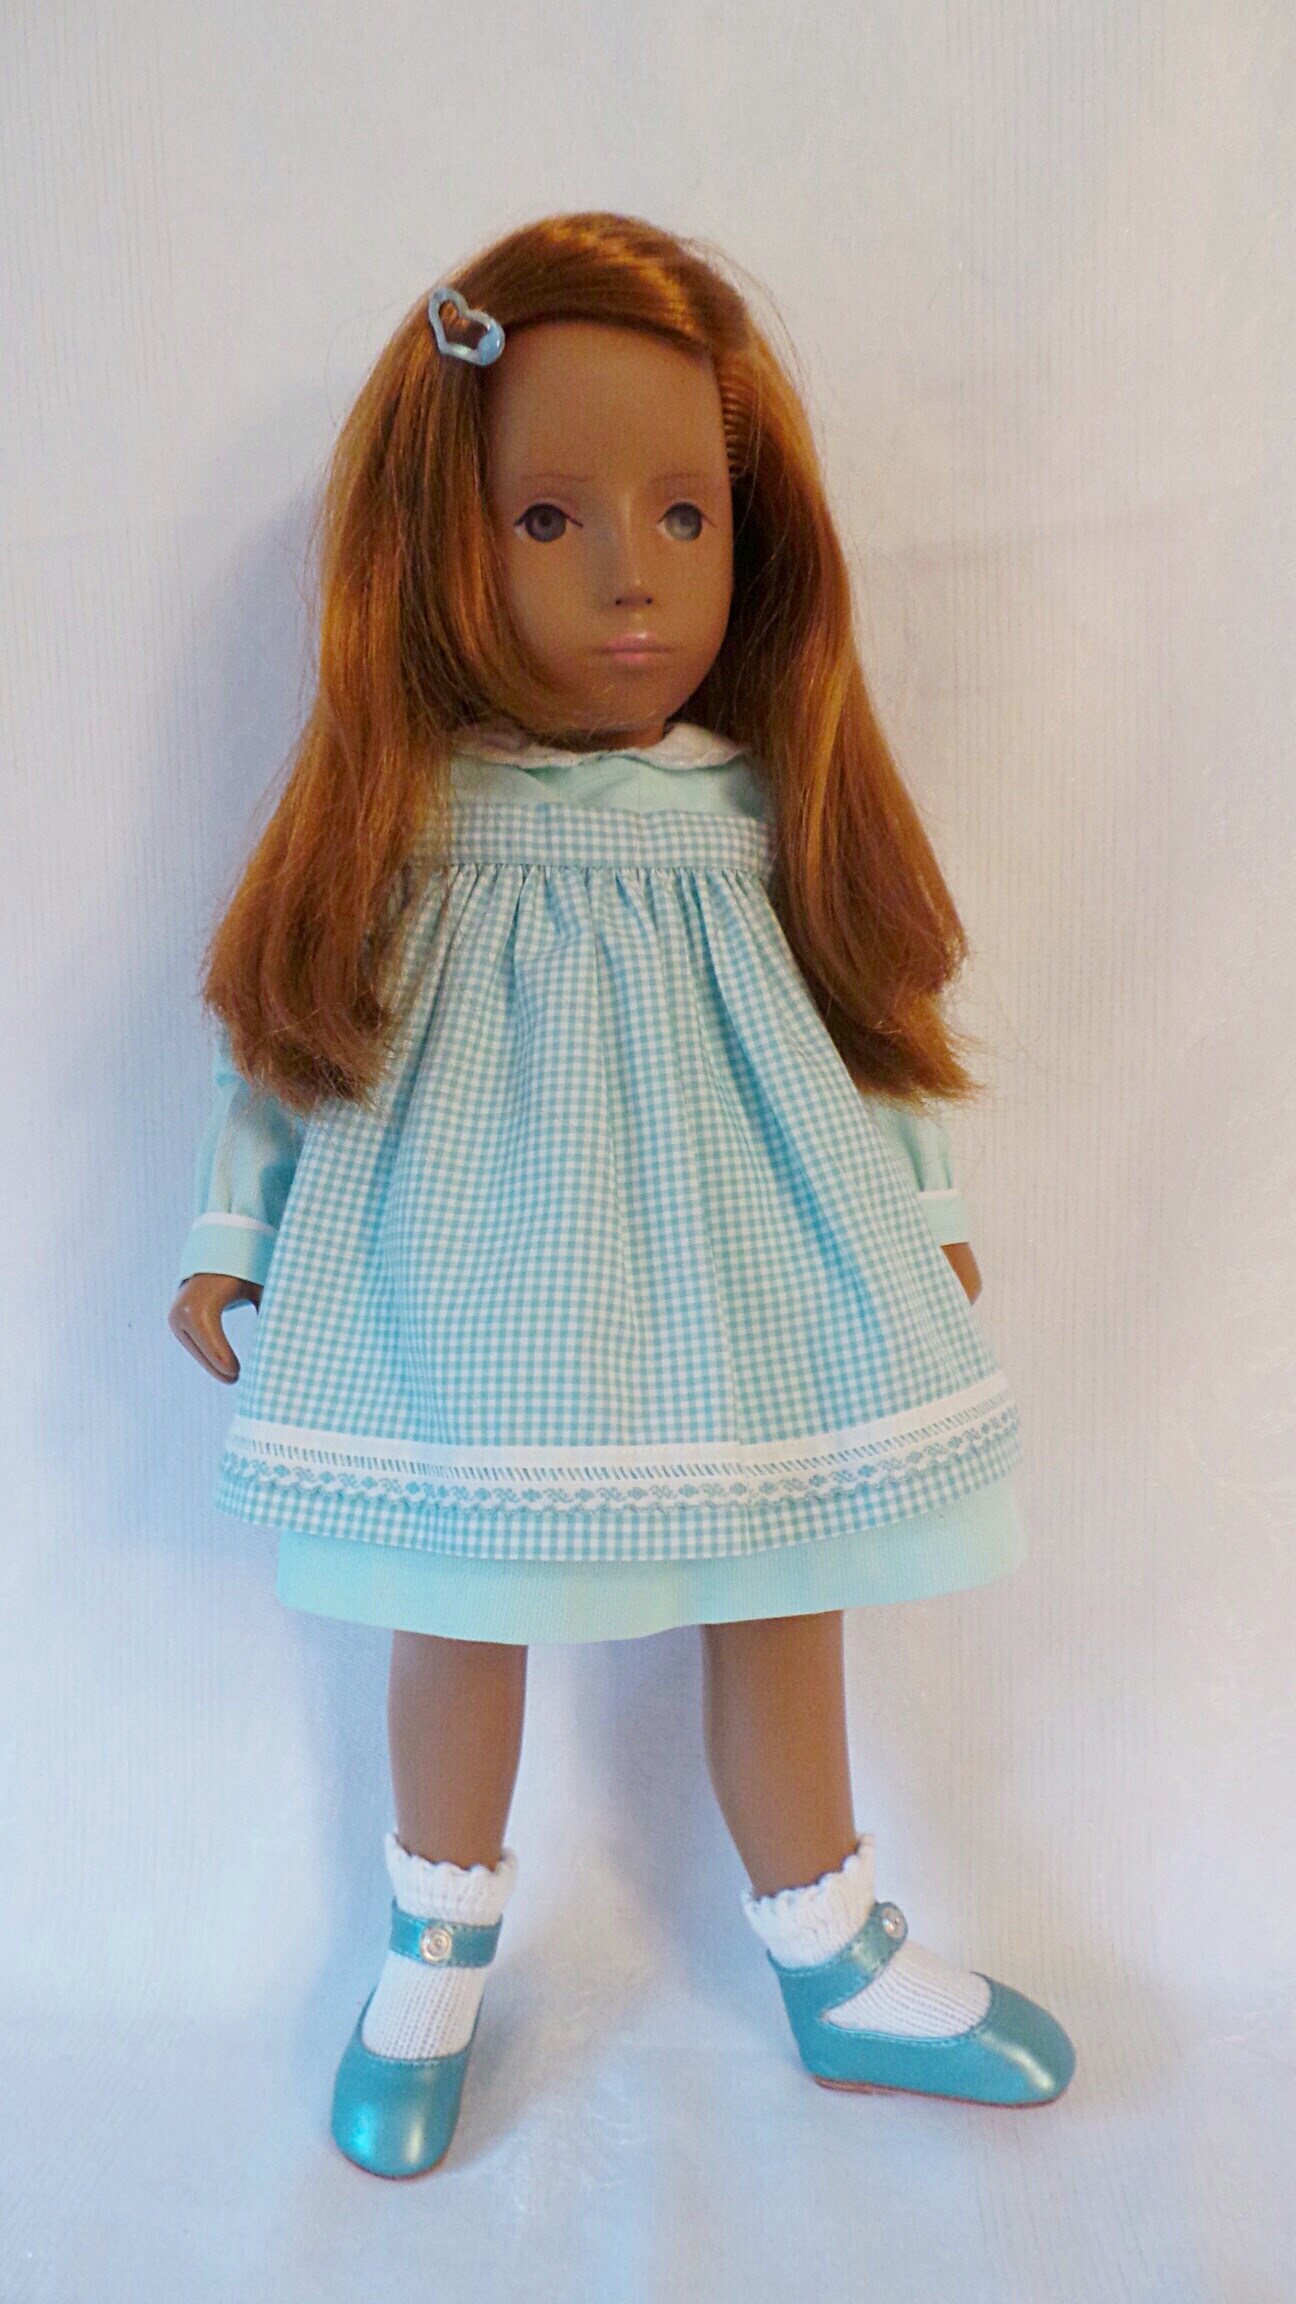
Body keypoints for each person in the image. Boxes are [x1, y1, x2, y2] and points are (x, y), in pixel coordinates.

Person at [168, 211, 1075, 2178]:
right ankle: (430, 1958)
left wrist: (918, 1208)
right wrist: (235, 1237)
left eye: (685, 513)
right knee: (451, 1593)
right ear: (442, 544)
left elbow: (861, 1029)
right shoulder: (411, 823)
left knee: (781, 1581)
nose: (633, 574)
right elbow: (296, 1030)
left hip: (738, 1270)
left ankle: (830, 1948)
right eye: (549, 519)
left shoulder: (757, 810)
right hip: (470, 1276)